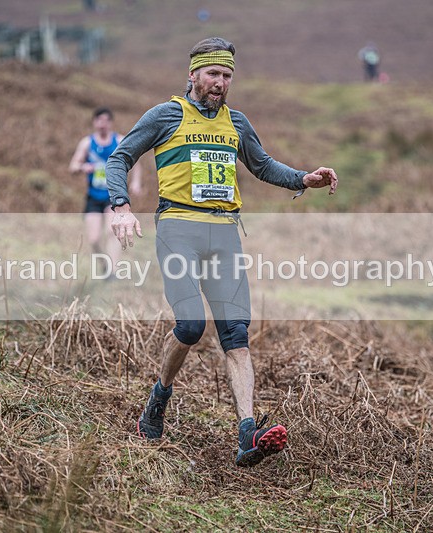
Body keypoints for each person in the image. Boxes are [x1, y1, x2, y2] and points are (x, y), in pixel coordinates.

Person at [104, 37, 338, 467]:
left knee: (236, 336)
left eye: (227, 75)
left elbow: (263, 165)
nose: (220, 82)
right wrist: (120, 206)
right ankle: (159, 398)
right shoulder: (166, 114)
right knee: (191, 326)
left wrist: (304, 179)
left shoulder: (237, 122)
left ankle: (248, 432)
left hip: (225, 233)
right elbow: (119, 158)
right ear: (193, 74)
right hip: (178, 228)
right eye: (213, 73)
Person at [69, 107, 141, 270]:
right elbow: (73, 165)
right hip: (93, 197)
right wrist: (82, 167)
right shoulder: (87, 143)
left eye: (106, 121)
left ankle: (113, 270)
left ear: (110, 123)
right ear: (94, 122)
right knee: (94, 239)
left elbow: (136, 163)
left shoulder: (120, 141)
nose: (102, 124)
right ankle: (104, 263)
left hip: (113, 196)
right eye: (99, 120)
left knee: (111, 232)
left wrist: (136, 182)